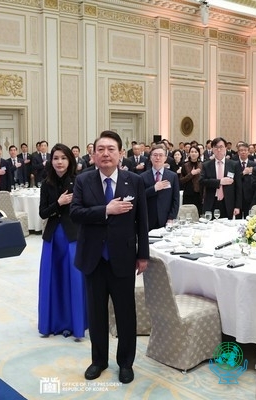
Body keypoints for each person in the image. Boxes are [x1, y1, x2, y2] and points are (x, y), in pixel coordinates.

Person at [70, 130, 149, 385]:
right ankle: (99, 360)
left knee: (126, 313)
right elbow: (76, 213)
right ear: (93, 154)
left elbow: (142, 221)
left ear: (121, 154)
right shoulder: (83, 180)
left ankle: (125, 363)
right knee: (96, 313)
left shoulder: (134, 181)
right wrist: (106, 209)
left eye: (111, 149)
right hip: (93, 258)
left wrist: (143, 255)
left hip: (123, 257)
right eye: (100, 149)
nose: (105, 154)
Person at [38, 143, 87, 340]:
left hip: (72, 236)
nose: (60, 162)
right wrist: (58, 203)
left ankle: (75, 324)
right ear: (51, 161)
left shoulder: (79, 182)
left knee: (74, 279)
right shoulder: (46, 183)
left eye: (63, 158)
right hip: (52, 238)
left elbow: (84, 210)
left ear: (70, 161)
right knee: (53, 279)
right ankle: (52, 323)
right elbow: (42, 213)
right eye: (56, 158)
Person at [200, 137, 242, 219]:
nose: (219, 150)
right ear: (212, 149)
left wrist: (237, 206)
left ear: (225, 148)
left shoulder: (234, 165)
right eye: (216, 147)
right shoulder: (206, 165)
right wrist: (219, 182)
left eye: (221, 147)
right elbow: (202, 181)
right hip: (212, 201)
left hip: (228, 202)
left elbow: (238, 187)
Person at [141, 144, 180, 230]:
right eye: (155, 155)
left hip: (166, 219)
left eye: (160, 155)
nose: (157, 158)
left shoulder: (172, 176)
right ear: (150, 157)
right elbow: (140, 197)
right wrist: (154, 188)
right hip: (148, 219)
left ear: (165, 158)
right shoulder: (142, 177)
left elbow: (176, 199)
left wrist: (171, 218)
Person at [179, 145, 203, 215]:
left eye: (195, 152)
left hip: (199, 194)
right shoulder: (185, 165)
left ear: (199, 154)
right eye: (192, 152)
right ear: (189, 153)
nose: (193, 153)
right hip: (188, 194)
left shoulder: (202, 165)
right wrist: (191, 174)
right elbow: (181, 181)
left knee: (199, 215)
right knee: (188, 215)